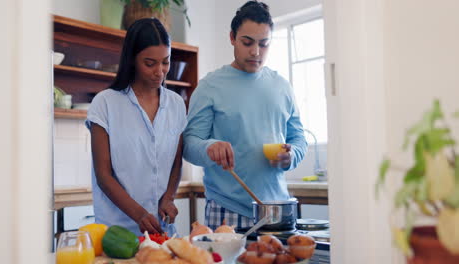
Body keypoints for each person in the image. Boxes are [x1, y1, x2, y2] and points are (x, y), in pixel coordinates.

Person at [183, 0, 308, 231]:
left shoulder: (282, 86)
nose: (255, 52)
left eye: (264, 44)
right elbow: (189, 145)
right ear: (232, 37)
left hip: (275, 210)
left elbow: (299, 138)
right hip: (227, 209)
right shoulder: (210, 86)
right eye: (247, 42)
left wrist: (292, 155)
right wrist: (210, 147)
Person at [86, 18, 186, 236]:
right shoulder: (105, 103)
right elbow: (103, 175)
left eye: (166, 62)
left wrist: (168, 197)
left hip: (162, 231)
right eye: (150, 63)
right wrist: (139, 214)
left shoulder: (176, 105)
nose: (160, 71)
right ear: (132, 59)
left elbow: (176, 162)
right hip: (117, 232)